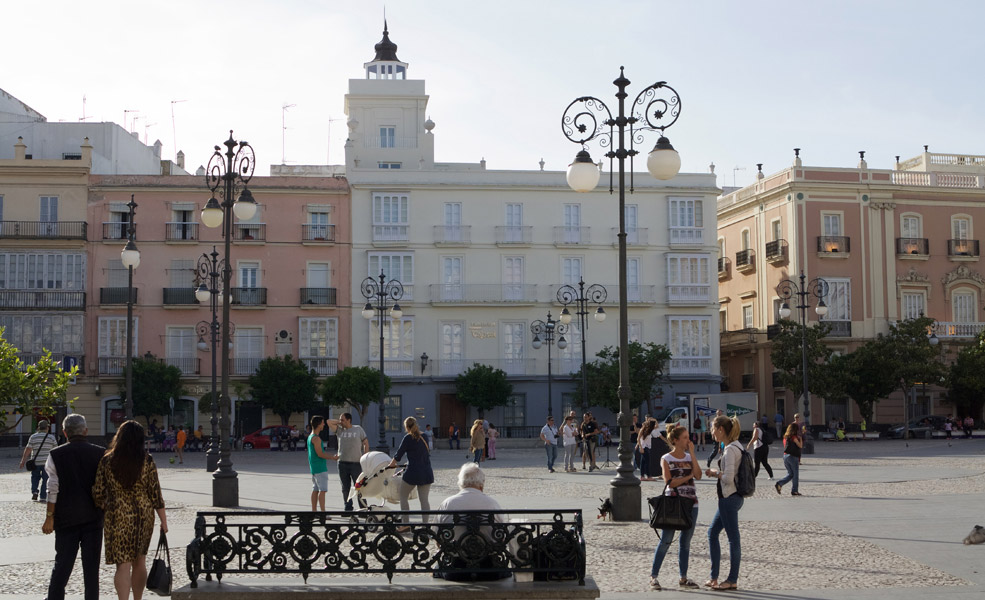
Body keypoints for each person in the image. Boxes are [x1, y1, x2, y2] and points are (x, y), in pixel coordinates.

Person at [92, 420, 167, 600]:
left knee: (122, 565)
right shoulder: (147, 460)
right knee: (140, 561)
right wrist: (164, 521)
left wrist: (106, 505)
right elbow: (155, 493)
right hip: (143, 514)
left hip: (117, 514)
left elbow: (98, 492)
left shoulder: (107, 460)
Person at [41, 414, 105, 600]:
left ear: (64, 432)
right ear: (85, 431)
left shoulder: (56, 455)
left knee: (62, 566)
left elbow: (52, 489)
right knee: (91, 571)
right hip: (93, 518)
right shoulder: (100, 453)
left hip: (66, 518)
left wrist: (49, 517)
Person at [649, 425, 702, 591]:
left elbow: (699, 475)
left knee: (685, 543)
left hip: (691, 504)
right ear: (676, 440)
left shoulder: (689, 456)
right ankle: (653, 576)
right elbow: (669, 482)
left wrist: (692, 454)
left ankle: (683, 577)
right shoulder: (666, 458)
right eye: (685, 438)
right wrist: (688, 476)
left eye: (688, 437)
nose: (688, 440)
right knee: (666, 540)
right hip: (673, 503)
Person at [434, 463, 509, 581]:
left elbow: (437, 539)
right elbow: (502, 538)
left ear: (461, 483)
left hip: (454, 569)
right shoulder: (492, 504)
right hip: (489, 569)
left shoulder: (447, 504)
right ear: (482, 484)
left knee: (436, 570)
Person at [703, 415, 745, 591]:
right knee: (712, 533)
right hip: (733, 497)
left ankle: (732, 580)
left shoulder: (729, 450)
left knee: (733, 540)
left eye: (713, 428)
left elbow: (728, 478)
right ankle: (714, 577)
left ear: (721, 430)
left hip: (729, 498)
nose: (711, 432)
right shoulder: (737, 446)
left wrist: (714, 473)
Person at [389, 417, 434, 522]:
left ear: (406, 427)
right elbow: (421, 453)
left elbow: (398, 455)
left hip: (412, 472)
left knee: (403, 496)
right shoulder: (424, 436)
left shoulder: (408, 438)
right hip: (426, 472)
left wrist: (391, 465)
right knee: (424, 500)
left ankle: (405, 524)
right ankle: (426, 525)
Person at [334, 413, 368, 512]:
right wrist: (340, 422)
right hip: (342, 463)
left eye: (342, 420)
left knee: (359, 487)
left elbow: (366, 443)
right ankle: (348, 507)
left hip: (356, 463)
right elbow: (328, 422)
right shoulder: (339, 430)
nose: (341, 422)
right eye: (340, 420)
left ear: (349, 420)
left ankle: (363, 507)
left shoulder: (358, 429)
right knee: (345, 487)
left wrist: (365, 457)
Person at [20, 419, 58, 502]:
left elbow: (28, 449)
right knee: (45, 479)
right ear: (47, 428)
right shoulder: (51, 437)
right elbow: (55, 450)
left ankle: (34, 491)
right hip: (47, 463)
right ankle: (43, 496)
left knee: (35, 477)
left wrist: (23, 461)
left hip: (35, 462)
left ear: (38, 428)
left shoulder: (33, 437)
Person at [307, 416, 339, 511]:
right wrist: (333, 457)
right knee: (323, 490)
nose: (324, 425)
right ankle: (323, 513)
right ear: (318, 424)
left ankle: (314, 511)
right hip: (320, 468)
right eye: (322, 423)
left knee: (315, 490)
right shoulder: (316, 439)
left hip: (314, 467)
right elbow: (320, 454)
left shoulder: (310, 436)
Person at [775, 423, 803, 496]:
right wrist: (800, 439)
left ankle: (779, 483)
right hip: (793, 456)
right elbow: (800, 446)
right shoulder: (794, 437)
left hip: (785, 456)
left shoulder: (785, 437)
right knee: (795, 475)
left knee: (790, 474)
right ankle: (795, 491)